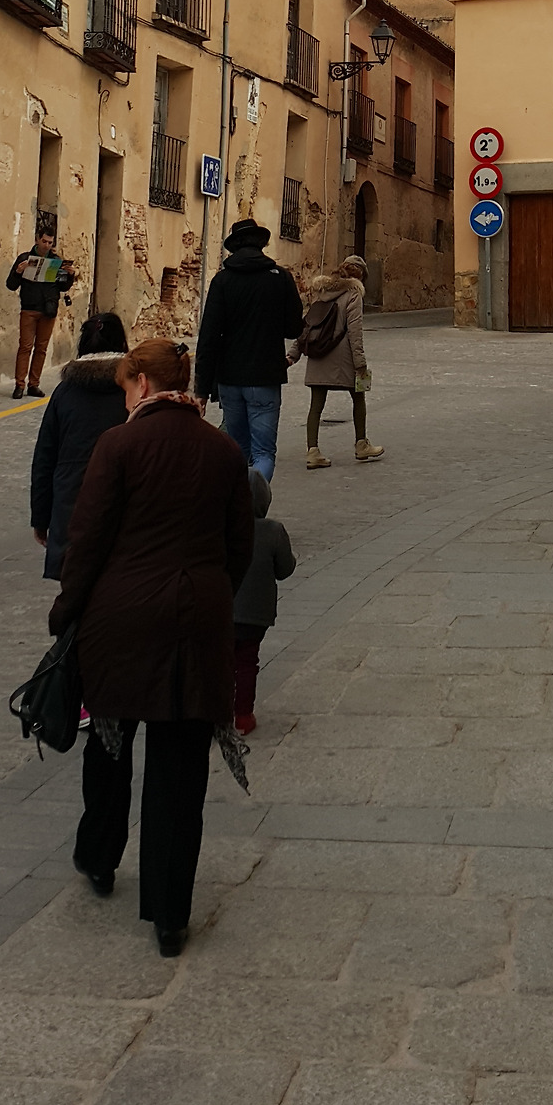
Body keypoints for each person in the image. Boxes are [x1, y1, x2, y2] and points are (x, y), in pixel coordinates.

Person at [51, 337, 254, 957]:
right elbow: (238, 546)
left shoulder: (118, 446)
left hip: (122, 622)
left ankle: (99, 855)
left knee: (109, 745)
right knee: (180, 768)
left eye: (124, 388)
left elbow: (87, 538)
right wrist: (208, 593)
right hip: (197, 624)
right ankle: (170, 914)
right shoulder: (223, 450)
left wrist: (66, 610)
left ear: (141, 383)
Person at [194, 218, 304, 484]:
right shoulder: (280, 278)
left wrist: (201, 390)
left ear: (234, 246)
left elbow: (208, 338)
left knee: (238, 450)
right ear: (260, 244)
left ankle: (238, 502)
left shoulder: (222, 281)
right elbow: (293, 328)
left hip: (230, 378)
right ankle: (253, 502)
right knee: (263, 452)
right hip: (265, 375)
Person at [29, 312, 129, 579]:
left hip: (70, 502)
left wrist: (41, 517)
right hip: (123, 501)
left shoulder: (65, 392)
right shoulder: (132, 391)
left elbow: (45, 457)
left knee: (74, 581)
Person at [290, 255, 384, 468]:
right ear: (360, 276)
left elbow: (307, 326)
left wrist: (293, 354)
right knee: (359, 396)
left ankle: (312, 451)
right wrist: (360, 363)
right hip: (344, 357)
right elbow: (355, 331)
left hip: (318, 354)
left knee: (316, 405)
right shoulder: (354, 294)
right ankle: (361, 444)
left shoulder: (321, 292)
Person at [232, 470, 296, 734]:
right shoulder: (273, 531)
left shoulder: (219, 528)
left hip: (220, 611)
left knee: (219, 663)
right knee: (247, 663)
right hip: (255, 615)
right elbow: (285, 569)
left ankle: (216, 715)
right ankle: (243, 717)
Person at [6, 226, 76, 399]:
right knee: (25, 347)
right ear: (37, 239)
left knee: (41, 348)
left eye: (50, 243)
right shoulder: (25, 258)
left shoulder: (56, 261)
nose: (46, 245)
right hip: (29, 308)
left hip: (48, 310)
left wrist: (70, 275)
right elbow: (11, 285)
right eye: (44, 241)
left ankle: (34, 384)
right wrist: (18, 272)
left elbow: (63, 286)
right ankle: (19, 384)